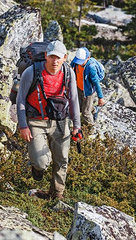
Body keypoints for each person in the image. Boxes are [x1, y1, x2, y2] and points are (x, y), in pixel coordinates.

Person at [16, 41, 81, 200]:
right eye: (52, 56)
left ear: (65, 58)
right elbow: (20, 100)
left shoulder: (68, 73)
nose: (55, 61)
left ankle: (56, 194)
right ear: (46, 55)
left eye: (59, 57)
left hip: (60, 121)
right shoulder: (31, 72)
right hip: (36, 121)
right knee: (41, 162)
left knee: (62, 159)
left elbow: (73, 99)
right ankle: (37, 168)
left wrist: (76, 126)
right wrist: (23, 126)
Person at [71, 47, 105, 125]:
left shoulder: (91, 68)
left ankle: (90, 128)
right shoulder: (77, 60)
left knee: (85, 113)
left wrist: (100, 97)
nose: (79, 63)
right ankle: (94, 110)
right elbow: (72, 65)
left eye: (81, 62)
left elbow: (96, 83)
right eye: (78, 61)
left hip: (88, 92)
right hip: (79, 88)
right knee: (79, 107)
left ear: (88, 58)